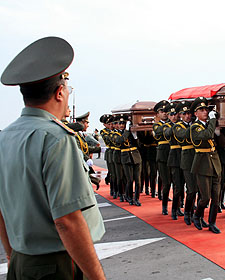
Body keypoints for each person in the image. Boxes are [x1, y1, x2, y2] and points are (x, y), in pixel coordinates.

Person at [0, 37, 105, 279]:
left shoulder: (6, 136)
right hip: (57, 265)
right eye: (66, 89)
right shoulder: (56, 138)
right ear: (59, 93)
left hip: (22, 260)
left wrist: (11, 254)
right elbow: (67, 220)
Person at [190, 97, 222, 234]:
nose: (205, 112)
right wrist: (213, 121)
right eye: (202, 110)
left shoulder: (210, 124)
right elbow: (207, 135)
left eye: (206, 110)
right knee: (205, 197)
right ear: (196, 113)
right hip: (202, 164)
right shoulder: (194, 127)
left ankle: (212, 222)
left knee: (216, 196)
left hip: (214, 162)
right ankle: (197, 215)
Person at [173, 101, 197, 225]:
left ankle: (194, 213)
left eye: (189, 113)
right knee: (191, 189)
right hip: (187, 159)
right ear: (180, 115)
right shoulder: (177, 127)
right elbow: (183, 135)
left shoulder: (195, 124)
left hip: (198, 159)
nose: (187, 116)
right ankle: (187, 212)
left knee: (197, 189)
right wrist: (195, 126)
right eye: (184, 113)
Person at [113, 115, 142, 206]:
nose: (122, 125)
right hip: (125, 158)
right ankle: (129, 197)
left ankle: (136, 198)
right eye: (120, 123)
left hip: (136, 157)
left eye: (123, 123)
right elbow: (120, 140)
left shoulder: (130, 133)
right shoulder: (115, 134)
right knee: (129, 180)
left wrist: (135, 135)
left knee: (138, 180)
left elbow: (138, 144)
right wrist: (127, 131)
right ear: (117, 124)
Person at [164, 103, 185, 220]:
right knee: (177, 186)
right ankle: (174, 209)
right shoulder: (167, 126)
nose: (173, 116)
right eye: (171, 114)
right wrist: (176, 126)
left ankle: (180, 207)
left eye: (175, 114)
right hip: (174, 158)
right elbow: (167, 134)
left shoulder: (183, 124)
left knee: (183, 185)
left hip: (184, 156)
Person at [153, 100, 172, 214]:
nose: (165, 113)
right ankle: (164, 205)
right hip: (163, 155)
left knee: (177, 181)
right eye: (162, 111)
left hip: (174, 154)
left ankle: (179, 204)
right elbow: (160, 132)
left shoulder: (173, 123)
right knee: (166, 182)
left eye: (166, 111)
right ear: (157, 114)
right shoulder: (157, 125)